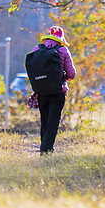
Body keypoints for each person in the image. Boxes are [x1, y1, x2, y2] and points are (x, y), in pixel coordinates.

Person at [30, 25, 77, 154]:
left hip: (41, 91)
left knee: (44, 120)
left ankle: (43, 150)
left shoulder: (36, 49)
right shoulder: (63, 50)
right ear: (60, 39)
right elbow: (72, 74)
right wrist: (63, 78)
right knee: (53, 122)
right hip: (57, 91)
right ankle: (47, 151)